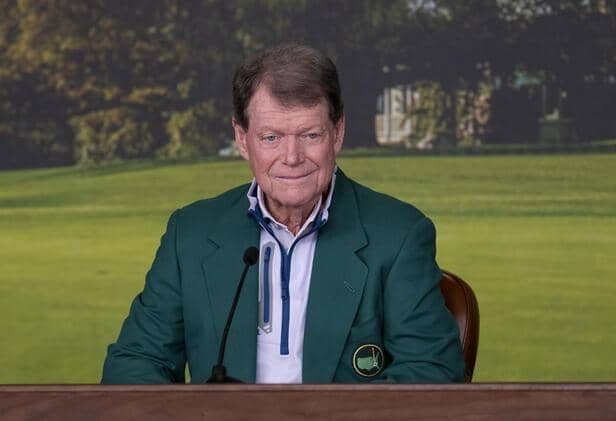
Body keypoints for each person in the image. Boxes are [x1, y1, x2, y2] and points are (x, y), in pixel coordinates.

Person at [102, 44, 465, 384]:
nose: (291, 158)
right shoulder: (190, 234)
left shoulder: (399, 235)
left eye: (309, 135)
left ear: (337, 133)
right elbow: (134, 363)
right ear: (242, 139)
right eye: (271, 137)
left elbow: (430, 371)